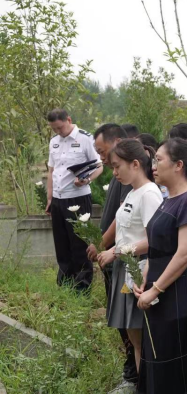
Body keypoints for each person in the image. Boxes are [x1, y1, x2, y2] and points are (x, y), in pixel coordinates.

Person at [133, 138, 187, 393]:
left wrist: (156, 289)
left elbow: (185, 254)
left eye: (159, 160)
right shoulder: (168, 199)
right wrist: (144, 276)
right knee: (158, 357)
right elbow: (158, 246)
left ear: (178, 165)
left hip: (177, 293)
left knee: (176, 361)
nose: (153, 165)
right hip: (159, 287)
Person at [96, 139, 162, 374]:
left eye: (117, 166)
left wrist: (115, 251)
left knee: (144, 337)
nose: (114, 173)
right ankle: (142, 384)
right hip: (127, 270)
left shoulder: (149, 195)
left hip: (140, 271)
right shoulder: (134, 193)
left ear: (135, 164)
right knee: (134, 337)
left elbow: (154, 241)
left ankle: (151, 384)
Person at [89, 123, 138, 391]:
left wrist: (102, 244)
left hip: (123, 258)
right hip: (113, 258)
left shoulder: (131, 180)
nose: (101, 157)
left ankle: (133, 376)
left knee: (130, 323)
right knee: (122, 321)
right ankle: (131, 373)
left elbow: (123, 219)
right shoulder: (117, 175)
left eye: (102, 150)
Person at [46, 109, 103, 292]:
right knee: (61, 243)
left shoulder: (85, 139)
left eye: (60, 127)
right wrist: (49, 198)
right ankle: (65, 283)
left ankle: (82, 286)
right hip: (58, 199)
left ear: (69, 120)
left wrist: (88, 179)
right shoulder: (54, 142)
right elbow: (51, 171)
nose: (58, 132)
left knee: (80, 243)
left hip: (78, 197)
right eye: (54, 129)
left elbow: (99, 165)